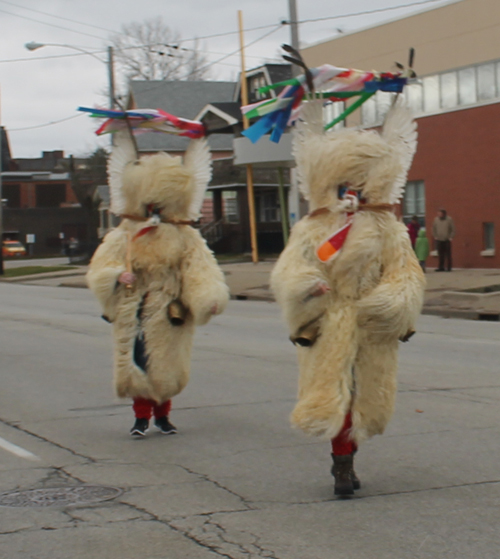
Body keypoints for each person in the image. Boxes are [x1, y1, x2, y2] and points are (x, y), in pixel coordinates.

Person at [270, 100, 425, 497]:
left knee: (364, 396)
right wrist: (307, 286)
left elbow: (405, 272)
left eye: (357, 185)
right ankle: (342, 466)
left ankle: (348, 457)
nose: (350, 193)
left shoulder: (387, 227)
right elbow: (290, 269)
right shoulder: (312, 227)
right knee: (334, 393)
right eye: (344, 185)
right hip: (328, 322)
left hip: (370, 326)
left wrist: (389, 303)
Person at [87, 131, 229, 437]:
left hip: (168, 308)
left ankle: (163, 416)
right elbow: (101, 267)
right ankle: (141, 418)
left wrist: (209, 297)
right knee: (137, 361)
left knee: (165, 362)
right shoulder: (124, 233)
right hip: (134, 306)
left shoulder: (183, 234)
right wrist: (116, 276)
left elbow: (199, 269)